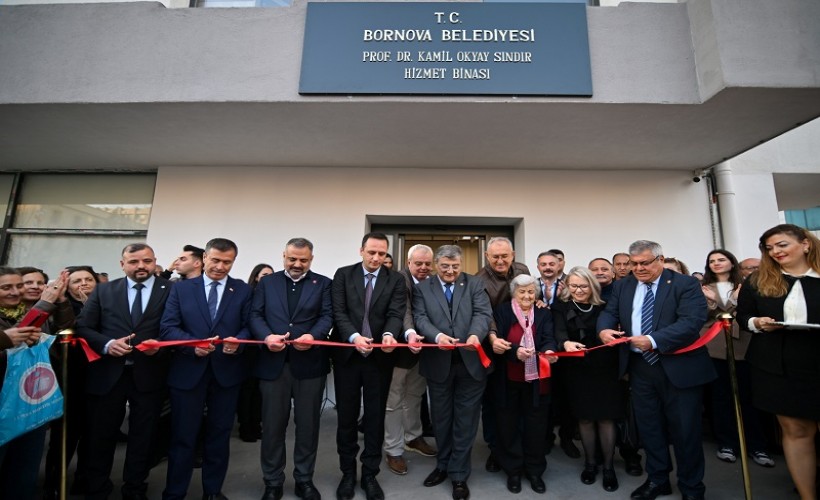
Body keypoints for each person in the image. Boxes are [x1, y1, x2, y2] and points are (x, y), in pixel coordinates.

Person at [598, 240, 713, 500]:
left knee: (685, 432)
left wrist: (653, 340)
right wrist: (603, 329)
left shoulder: (685, 285)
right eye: (633, 263)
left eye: (644, 263)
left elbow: (691, 323)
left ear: (660, 260)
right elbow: (609, 312)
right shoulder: (622, 285)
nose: (638, 269)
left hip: (679, 368)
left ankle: (692, 487)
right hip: (640, 369)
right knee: (649, 428)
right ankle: (658, 479)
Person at [75, 243, 173, 500]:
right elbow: (84, 326)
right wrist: (107, 345)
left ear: (155, 261)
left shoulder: (173, 290)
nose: (141, 266)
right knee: (101, 435)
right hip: (108, 375)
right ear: (122, 264)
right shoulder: (105, 290)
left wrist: (160, 349)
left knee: (143, 436)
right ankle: (97, 488)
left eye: (147, 261)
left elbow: (176, 327)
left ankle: (135, 488)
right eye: (134, 261)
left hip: (150, 374)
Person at [160, 237, 252, 500]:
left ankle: (212, 491)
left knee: (219, 436)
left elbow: (248, 325)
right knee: (182, 436)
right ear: (204, 259)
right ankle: (175, 492)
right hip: (188, 371)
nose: (221, 267)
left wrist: (240, 342)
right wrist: (192, 347)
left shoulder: (242, 290)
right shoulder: (181, 289)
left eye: (227, 262)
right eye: (215, 260)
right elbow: (168, 327)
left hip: (226, 373)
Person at [736, 224, 820, 500]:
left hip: (816, 359)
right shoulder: (759, 280)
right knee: (795, 430)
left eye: (782, 245)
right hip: (776, 365)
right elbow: (743, 317)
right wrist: (757, 322)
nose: (775, 252)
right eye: (770, 248)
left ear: (805, 244)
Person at [249, 239, 332, 500]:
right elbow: (255, 315)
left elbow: (327, 316)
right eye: (292, 259)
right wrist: (266, 337)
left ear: (311, 259)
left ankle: (304, 479)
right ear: (283, 255)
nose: (297, 264)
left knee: (308, 426)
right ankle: (272, 481)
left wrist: (313, 335)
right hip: (274, 365)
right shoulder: (267, 283)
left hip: (309, 366)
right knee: (273, 427)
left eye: (303, 260)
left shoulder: (324, 283)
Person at [330, 232, 406, 500]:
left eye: (381, 254)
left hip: (379, 359)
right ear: (361, 250)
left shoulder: (395, 280)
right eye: (371, 252)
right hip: (349, 358)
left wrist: (389, 334)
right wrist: (353, 336)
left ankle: (370, 474)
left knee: (375, 417)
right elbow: (338, 312)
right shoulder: (343, 274)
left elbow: (396, 313)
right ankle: (348, 473)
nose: (376, 258)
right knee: (347, 418)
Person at [413, 244, 492, 500]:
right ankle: (443, 465)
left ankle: (459, 474)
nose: (450, 271)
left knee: (466, 421)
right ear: (436, 265)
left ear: (461, 265)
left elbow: (483, 313)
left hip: (470, 363)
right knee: (442, 419)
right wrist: (436, 336)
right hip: (438, 362)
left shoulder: (474, 284)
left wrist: (474, 335)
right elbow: (420, 317)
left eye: (455, 266)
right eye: (445, 266)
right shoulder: (422, 287)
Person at [700, 249, 774, 467]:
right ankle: (726, 443)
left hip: (743, 345)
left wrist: (731, 301)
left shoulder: (747, 285)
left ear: (732, 263)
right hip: (714, 346)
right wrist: (717, 302)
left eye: (721, 259)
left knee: (748, 397)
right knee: (720, 397)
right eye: (712, 260)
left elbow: (748, 313)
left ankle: (757, 446)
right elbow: (702, 314)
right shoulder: (702, 287)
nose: (716, 263)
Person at [0, 267, 68, 500]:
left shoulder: (26, 311)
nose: (16, 292)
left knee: (24, 470)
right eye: (6, 287)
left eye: (18, 286)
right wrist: (7, 339)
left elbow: (64, 330)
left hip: (30, 402)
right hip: (3, 405)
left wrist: (58, 302)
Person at [554, 267, 623, 492]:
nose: (578, 290)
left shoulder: (605, 307)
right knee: (584, 419)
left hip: (605, 370)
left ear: (592, 286)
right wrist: (565, 343)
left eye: (583, 286)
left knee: (606, 418)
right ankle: (590, 463)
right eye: (573, 286)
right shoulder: (560, 307)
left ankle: (609, 467)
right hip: (576, 370)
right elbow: (559, 331)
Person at [491, 274, 557, 495]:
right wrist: (513, 351)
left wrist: (548, 350)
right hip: (508, 378)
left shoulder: (543, 313)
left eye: (531, 291)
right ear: (513, 293)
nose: (527, 296)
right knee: (508, 426)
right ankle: (513, 471)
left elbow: (549, 337)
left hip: (538, 380)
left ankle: (535, 471)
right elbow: (496, 340)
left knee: (536, 427)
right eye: (522, 291)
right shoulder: (502, 311)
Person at [17, 267, 78, 499]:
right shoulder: (12, 312)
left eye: (40, 282)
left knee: (31, 452)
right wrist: (45, 302)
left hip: (40, 386)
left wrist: (61, 300)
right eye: (27, 282)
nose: (34, 286)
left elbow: (67, 328)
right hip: (13, 388)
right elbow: (22, 333)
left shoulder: (50, 306)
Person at [476, 236, 531, 472]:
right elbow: (484, 314)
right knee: (492, 401)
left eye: (504, 256)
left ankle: (519, 445)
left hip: (522, 346)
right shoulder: (480, 280)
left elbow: (528, 294)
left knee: (517, 399)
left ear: (513, 255)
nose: (500, 260)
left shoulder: (522, 270)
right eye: (495, 256)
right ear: (487, 257)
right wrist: (493, 338)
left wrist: (535, 301)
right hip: (494, 345)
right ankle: (494, 449)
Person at [384, 244, 437, 476]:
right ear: (408, 262)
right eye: (419, 263)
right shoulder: (398, 280)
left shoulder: (434, 282)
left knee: (415, 396)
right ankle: (393, 449)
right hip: (400, 351)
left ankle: (413, 437)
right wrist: (410, 333)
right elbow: (403, 310)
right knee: (393, 400)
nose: (424, 268)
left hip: (424, 352)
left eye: (427, 263)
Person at [237, 263, 273, 443]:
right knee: (247, 390)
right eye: (265, 275)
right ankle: (245, 426)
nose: (268, 278)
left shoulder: (272, 295)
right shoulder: (249, 293)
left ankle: (256, 425)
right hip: (249, 349)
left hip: (265, 350)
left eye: (271, 275)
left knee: (259, 391)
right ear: (256, 276)